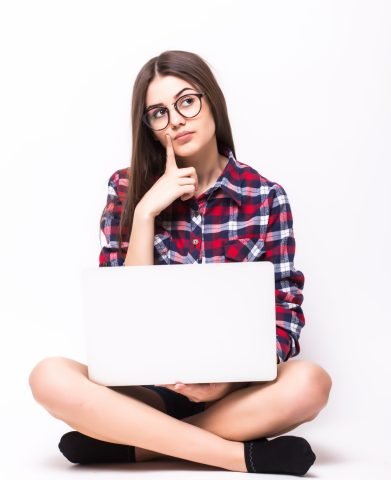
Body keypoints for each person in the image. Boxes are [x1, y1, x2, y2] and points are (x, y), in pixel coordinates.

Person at [28, 50, 332, 476]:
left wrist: (223, 382)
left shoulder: (265, 197)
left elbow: (286, 316)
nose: (175, 120)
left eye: (187, 101)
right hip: (146, 389)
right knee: (48, 376)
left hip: (231, 394)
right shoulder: (126, 188)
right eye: (158, 112)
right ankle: (232, 456)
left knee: (311, 383)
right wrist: (146, 212)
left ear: (211, 101)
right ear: (149, 127)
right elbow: (120, 312)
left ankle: (138, 443)